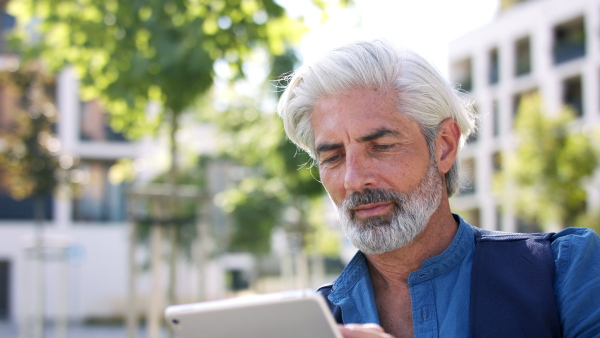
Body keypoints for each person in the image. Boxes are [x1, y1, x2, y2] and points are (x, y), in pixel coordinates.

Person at [276, 39, 600, 338]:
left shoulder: (565, 270)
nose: (353, 179)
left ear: (444, 146)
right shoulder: (307, 325)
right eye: (333, 157)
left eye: (382, 146)